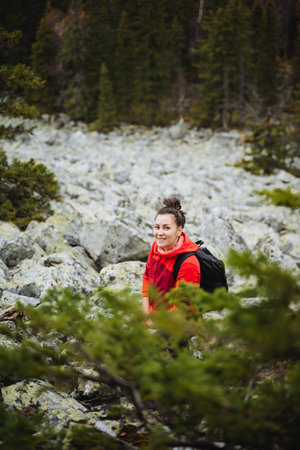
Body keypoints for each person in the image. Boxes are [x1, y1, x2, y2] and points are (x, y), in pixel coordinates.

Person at [142, 197, 200, 313]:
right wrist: (145, 312)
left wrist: (152, 323)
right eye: (157, 227)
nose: (159, 233)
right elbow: (147, 276)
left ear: (179, 230)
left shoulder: (188, 264)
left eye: (166, 228)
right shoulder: (156, 247)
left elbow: (182, 307)